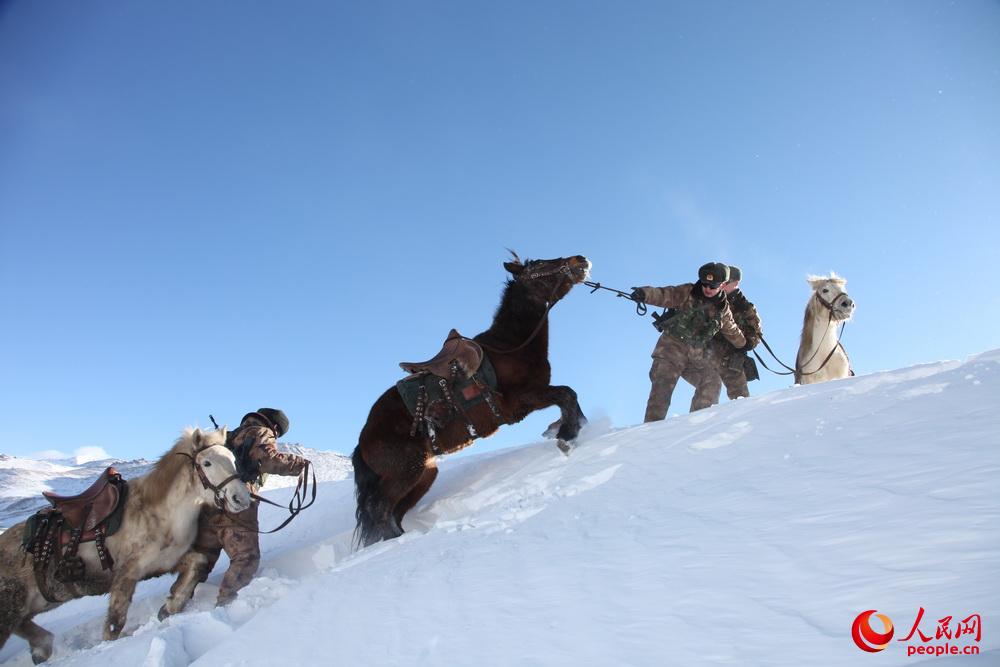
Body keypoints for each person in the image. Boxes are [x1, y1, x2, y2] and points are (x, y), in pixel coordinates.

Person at [163, 408, 308, 610]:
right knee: (246, 558)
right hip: (237, 505)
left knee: (201, 557)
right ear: (274, 427)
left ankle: (173, 605)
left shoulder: (230, 436)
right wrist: (300, 465)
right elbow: (267, 459)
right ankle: (226, 607)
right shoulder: (261, 432)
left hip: (212, 504)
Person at [631, 262, 747, 422]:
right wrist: (644, 293)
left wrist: (743, 344)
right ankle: (649, 432)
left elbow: (732, 330)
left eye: (712, 286)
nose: (707, 288)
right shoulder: (687, 292)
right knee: (662, 391)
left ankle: (695, 426)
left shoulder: (722, 310)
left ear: (723, 285)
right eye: (705, 284)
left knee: (712, 380)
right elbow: (665, 294)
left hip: (694, 358)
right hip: (670, 352)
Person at [709, 265, 763, 401]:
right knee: (706, 395)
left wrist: (743, 343)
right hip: (708, 355)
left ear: (736, 283)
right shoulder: (710, 300)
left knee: (741, 401)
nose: (721, 286)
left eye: (725, 283)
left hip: (732, 360)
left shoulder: (745, 307)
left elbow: (755, 335)